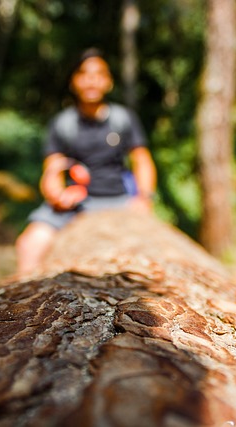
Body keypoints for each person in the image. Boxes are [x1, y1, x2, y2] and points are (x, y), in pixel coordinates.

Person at [15, 48, 157, 274]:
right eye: (84, 73)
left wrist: (144, 198)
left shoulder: (123, 119)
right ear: (74, 81)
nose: (91, 79)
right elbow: (52, 170)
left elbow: (142, 160)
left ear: (108, 82)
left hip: (117, 199)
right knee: (30, 244)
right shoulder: (63, 124)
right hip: (76, 203)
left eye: (99, 73)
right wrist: (56, 196)